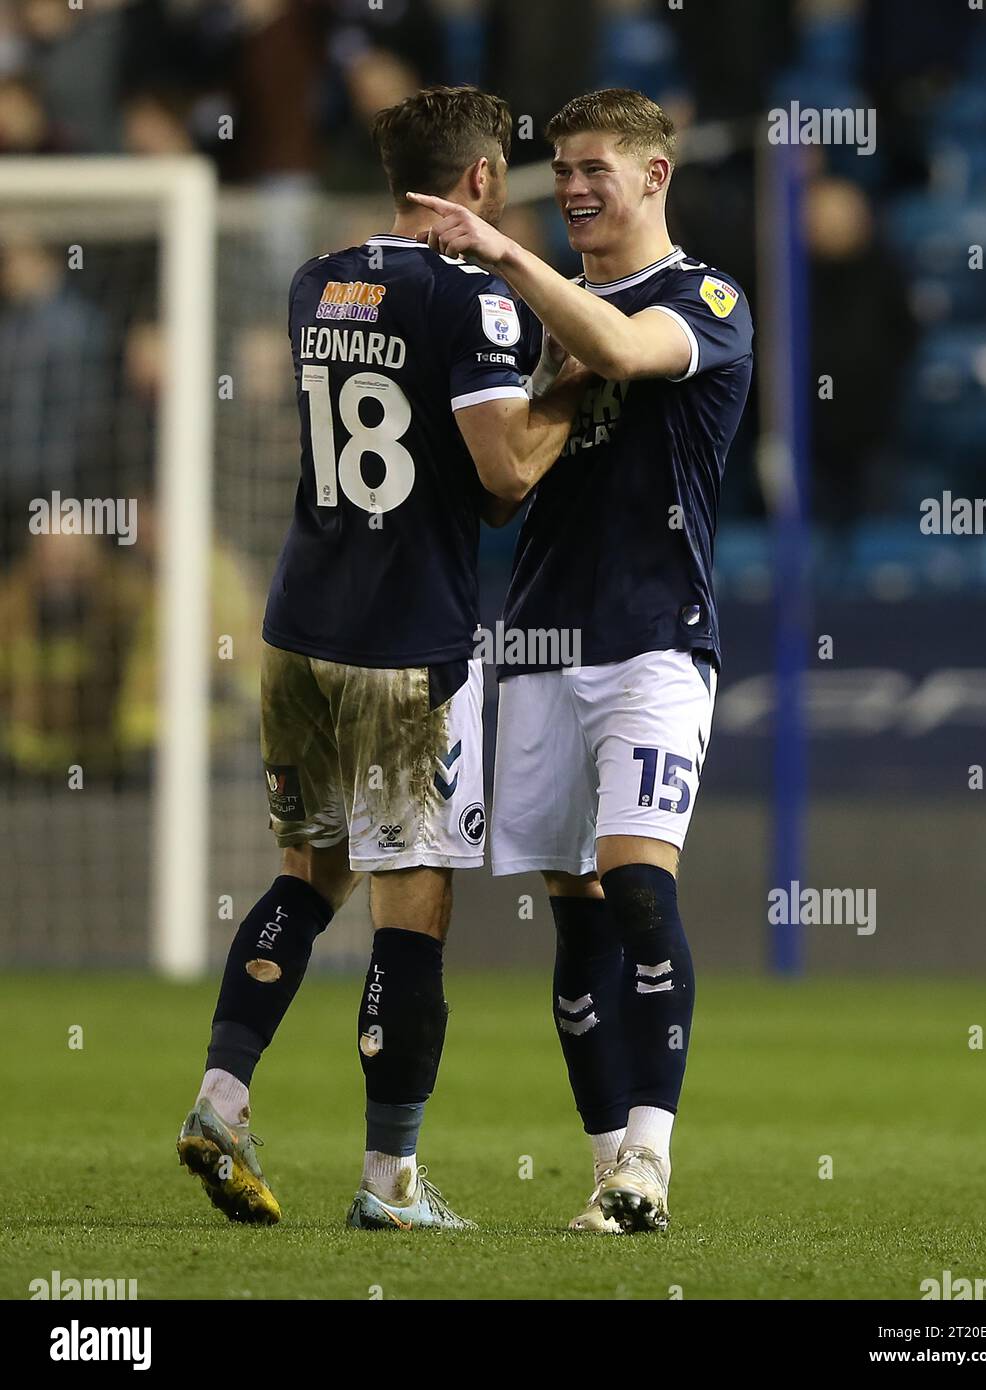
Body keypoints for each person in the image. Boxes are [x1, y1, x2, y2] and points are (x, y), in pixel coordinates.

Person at [177, 85, 590, 1232]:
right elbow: (506, 479)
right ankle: (389, 1183)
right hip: (406, 646)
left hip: (298, 629)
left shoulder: (320, 279)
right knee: (412, 905)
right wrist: (575, 383)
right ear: (479, 181)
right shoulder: (475, 301)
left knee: (306, 877)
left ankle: (221, 1095)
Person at [408, 87, 753, 1233]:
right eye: (558, 168)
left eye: (594, 166)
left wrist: (498, 252)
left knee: (640, 886)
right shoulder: (547, 316)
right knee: (577, 916)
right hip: (544, 648)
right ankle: (610, 1172)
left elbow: (622, 345)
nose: (571, 188)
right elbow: (509, 484)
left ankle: (651, 1156)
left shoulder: (701, 298)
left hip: (658, 642)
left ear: (656, 176)